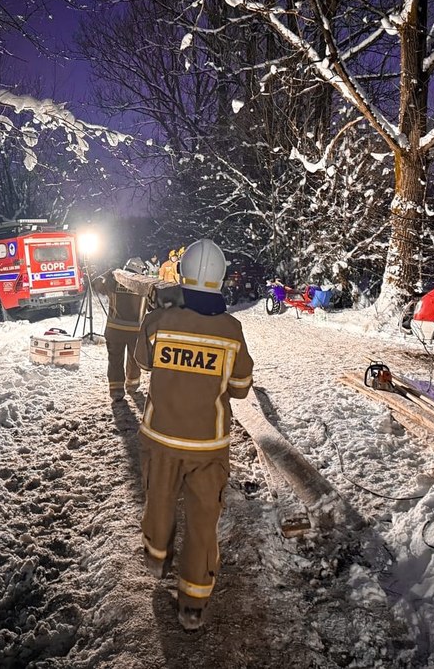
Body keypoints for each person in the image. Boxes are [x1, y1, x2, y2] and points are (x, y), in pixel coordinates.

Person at [134, 239, 254, 631]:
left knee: (160, 500)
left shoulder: (159, 322)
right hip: (208, 445)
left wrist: (157, 310)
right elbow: (241, 387)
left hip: (161, 437)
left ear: (180, 278)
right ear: (220, 283)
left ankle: (156, 557)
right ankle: (193, 604)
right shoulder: (232, 332)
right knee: (203, 522)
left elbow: (141, 360)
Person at [93, 266, 148, 404]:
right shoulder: (143, 286)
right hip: (135, 332)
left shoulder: (113, 282)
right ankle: (132, 385)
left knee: (115, 360)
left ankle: (116, 391)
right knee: (134, 359)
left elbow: (95, 284)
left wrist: (108, 272)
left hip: (115, 330)